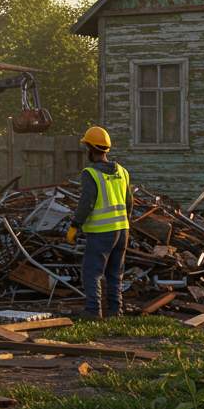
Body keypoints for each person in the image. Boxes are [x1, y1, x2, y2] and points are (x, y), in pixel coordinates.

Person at [66, 126, 131, 319]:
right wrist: (126, 223)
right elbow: (129, 203)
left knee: (92, 272)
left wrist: (75, 226)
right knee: (115, 273)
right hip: (123, 230)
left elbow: (87, 202)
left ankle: (93, 311)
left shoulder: (91, 173)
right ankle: (115, 311)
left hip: (102, 232)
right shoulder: (122, 172)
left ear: (90, 149)